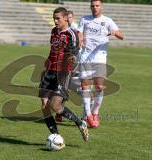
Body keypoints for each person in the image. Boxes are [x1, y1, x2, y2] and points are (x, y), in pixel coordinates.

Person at [39, 7, 89, 141]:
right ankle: (56, 136)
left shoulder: (71, 34)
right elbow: (52, 50)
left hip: (62, 74)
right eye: (54, 18)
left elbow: (73, 55)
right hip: (49, 71)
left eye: (58, 19)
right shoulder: (54, 31)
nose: (55, 21)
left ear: (66, 18)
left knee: (55, 106)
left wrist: (71, 61)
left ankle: (79, 122)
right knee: (44, 106)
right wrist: (48, 62)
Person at [77, 0, 123, 128]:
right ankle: (88, 115)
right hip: (85, 57)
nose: (95, 8)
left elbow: (121, 35)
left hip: (100, 59)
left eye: (97, 5)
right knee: (85, 87)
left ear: (101, 7)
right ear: (90, 7)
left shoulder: (107, 21)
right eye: (92, 6)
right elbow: (79, 32)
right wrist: (80, 38)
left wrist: (115, 32)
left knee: (99, 87)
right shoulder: (85, 19)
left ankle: (95, 112)